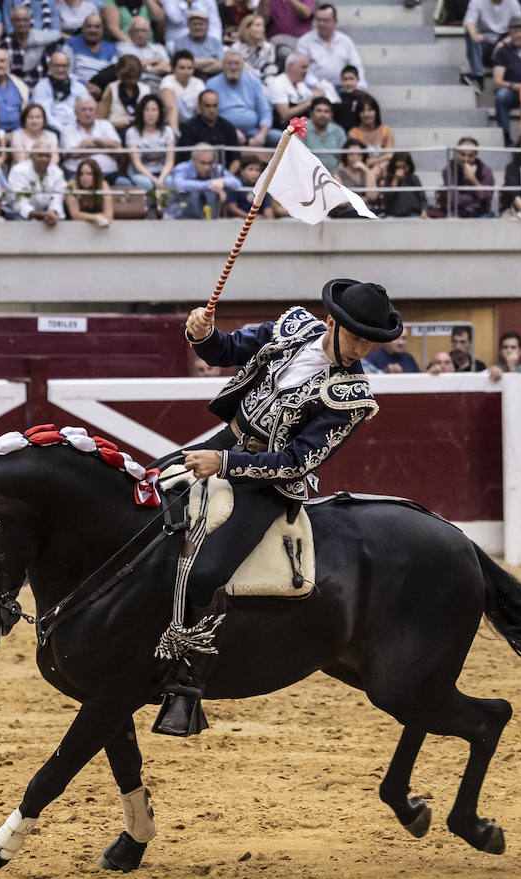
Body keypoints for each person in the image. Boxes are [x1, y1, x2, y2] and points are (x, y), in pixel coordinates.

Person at [153, 278, 402, 737]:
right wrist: (202, 334)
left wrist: (224, 463)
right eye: (358, 337)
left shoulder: (351, 396)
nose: (364, 350)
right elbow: (225, 351)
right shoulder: (292, 327)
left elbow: (295, 463)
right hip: (223, 444)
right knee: (146, 494)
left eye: (372, 341)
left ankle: (185, 688)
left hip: (267, 485)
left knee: (207, 573)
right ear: (332, 322)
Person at [489, 15, 521, 144]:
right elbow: (497, 82)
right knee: (501, 95)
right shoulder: (502, 52)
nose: (519, 35)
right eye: (516, 31)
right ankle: (505, 135)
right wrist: (518, 86)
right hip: (513, 91)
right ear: (510, 32)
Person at [207, 48, 270, 146]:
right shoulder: (211, 84)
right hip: (222, 131)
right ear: (223, 64)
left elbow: (265, 112)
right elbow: (209, 114)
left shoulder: (254, 82)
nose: (233, 67)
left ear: (243, 65)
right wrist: (232, 131)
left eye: (237, 63)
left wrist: (261, 134)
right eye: (229, 63)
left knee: (278, 138)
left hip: (254, 131)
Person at [295, 3, 361, 89]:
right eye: (318, 20)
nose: (321, 24)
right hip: (314, 89)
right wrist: (317, 86)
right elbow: (301, 69)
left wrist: (359, 87)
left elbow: (356, 66)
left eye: (325, 20)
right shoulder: (304, 41)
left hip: (344, 88)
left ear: (335, 21)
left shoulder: (345, 41)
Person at [167, 142, 242, 217]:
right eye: (203, 163)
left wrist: (223, 181)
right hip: (179, 219)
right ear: (193, 161)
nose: (207, 167)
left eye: (210, 163)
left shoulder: (216, 168)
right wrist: (209, 184)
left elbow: (237, 183)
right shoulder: (182, 168)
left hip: (209, 221)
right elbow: (179, 184)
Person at [125, 93, 175, 205]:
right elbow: (137, 164)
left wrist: (161, 179)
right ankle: (146, 214)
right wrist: (154, 180)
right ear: (141, 112)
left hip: (162, 172)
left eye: (154, 110)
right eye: (147, 110)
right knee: (146, 184)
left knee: (169, 182)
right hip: (141, 173)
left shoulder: (167, 131)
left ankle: (165, 213)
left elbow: (170, 161)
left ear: (160, 112)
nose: (150, 114)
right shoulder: (132, 132)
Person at [462, 0, 521, 91]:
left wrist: (504, 42)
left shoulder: (513, 2)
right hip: (485, 41)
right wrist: (474, 34)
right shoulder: (477, 1)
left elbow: (519, 26)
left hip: (506, 41)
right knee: (470, 35)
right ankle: (478, 77)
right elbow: (469, 21)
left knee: (519, 39)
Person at [63, 94, 122, 182]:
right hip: (78, 175)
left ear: (96, 111)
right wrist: (104, 149)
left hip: (109, 174)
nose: (88, 113)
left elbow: (117, 148)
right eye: (83, 110)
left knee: (124, 183)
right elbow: (73, 154)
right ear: (75, 112)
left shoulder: (106, 125)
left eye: (91, 109)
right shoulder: (68, 129)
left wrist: (96, 140)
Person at [4, 141, 66, 222]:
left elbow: (56, 201)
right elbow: (19, 204)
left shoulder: (57, 172)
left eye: (47, 156)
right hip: (17, 213)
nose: (44, 159)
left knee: (59, 220)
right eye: (40, 155)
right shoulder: (18, 171)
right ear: (31, 156)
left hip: (45, 213)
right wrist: (42, 215)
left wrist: (52, 213)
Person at [0, 3, 59, 86]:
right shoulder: (5, 45)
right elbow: (4, 75)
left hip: (41, 90)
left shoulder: (42, 40)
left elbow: (51, 71)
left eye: (24, 20)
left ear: (30, 21)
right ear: (11, 22)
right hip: (17, 91)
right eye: (17, 20)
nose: (21, 23)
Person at [30, 49, 88, 135]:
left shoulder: (79, 87)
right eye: (57, 66)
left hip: (77, 129)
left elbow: (85, 110)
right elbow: (43, 113)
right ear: (50, 67)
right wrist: (63, 130)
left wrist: (73, 128)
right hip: (51, 129)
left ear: (69, 67)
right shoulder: (41, 87)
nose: (61, 69)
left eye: (64, 66)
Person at [117, 15, 170, 89]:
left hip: (157, 84)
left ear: (149, 33)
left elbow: (168, 67)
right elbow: (128, 66)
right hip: (134, 85)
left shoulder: (159, 48)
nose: (140, 34)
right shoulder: (123, 47)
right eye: (137, 30)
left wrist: (147, 69)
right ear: (130, 32)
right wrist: (155, 61)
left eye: (143, 30)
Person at [160, 49, 206, 132]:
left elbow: (200, 111)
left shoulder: (199, 83)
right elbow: (171, 108)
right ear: (173, 69)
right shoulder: (167, 81)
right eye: (182, 68)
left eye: (189, 68)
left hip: (192, 125)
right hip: (171, 124)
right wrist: (175, 133)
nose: (186, 72)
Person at [170, 8, 223, 76]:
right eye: (194, 24)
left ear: (207, 25)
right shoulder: (180, 43)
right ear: (188, 25)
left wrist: (196, 68)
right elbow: (180, 65)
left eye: (201, 24)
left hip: (212, 77)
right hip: (188, 78)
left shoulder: (215, 42)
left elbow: (222, 64)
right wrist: (211, 60)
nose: (197, 27)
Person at [346, 94, 392, 172]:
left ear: (376, 112)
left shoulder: (386, 130)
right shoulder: (353, 133)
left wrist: (374, 161)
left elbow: (389, 155)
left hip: (383, 169)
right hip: (360, 171)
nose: (366, 114)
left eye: (369, 110)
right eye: (362, 111)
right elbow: (355, 158)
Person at [64, 157, 114, 226]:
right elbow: (75, 215)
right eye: (81, 174)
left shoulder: (103, 185)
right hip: (69, 227)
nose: (84, 178)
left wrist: (86, 216)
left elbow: (109, 215)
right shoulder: (72, 185)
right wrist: (96, 217)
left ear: (96, 175)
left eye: (89, 174)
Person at [378, 152, 427, 218]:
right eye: (398, 167)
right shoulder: (389, 179)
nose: (400, 170)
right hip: (393, 215)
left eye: (403, 167)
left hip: (413, 214)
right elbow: (387, 199)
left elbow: (422, 198)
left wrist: (424, 211)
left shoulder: (413, 178)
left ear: (408, 166)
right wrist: (395, 180)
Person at [302, 95, 345, 171]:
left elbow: (344, 157)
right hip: (307, 173)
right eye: (319, 111)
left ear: (331, 115)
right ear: (311, 113)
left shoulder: (338, 130)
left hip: (334, 176)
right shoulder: (302, 129)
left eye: (326, 111)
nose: (323, 115)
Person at [229, 13, 276, 79]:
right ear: (247, 28)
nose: (262, 29)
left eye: (263, 26)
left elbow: (271, 69)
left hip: (264, 84)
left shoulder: (269, 47)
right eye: (257, 25)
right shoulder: (235, 49)